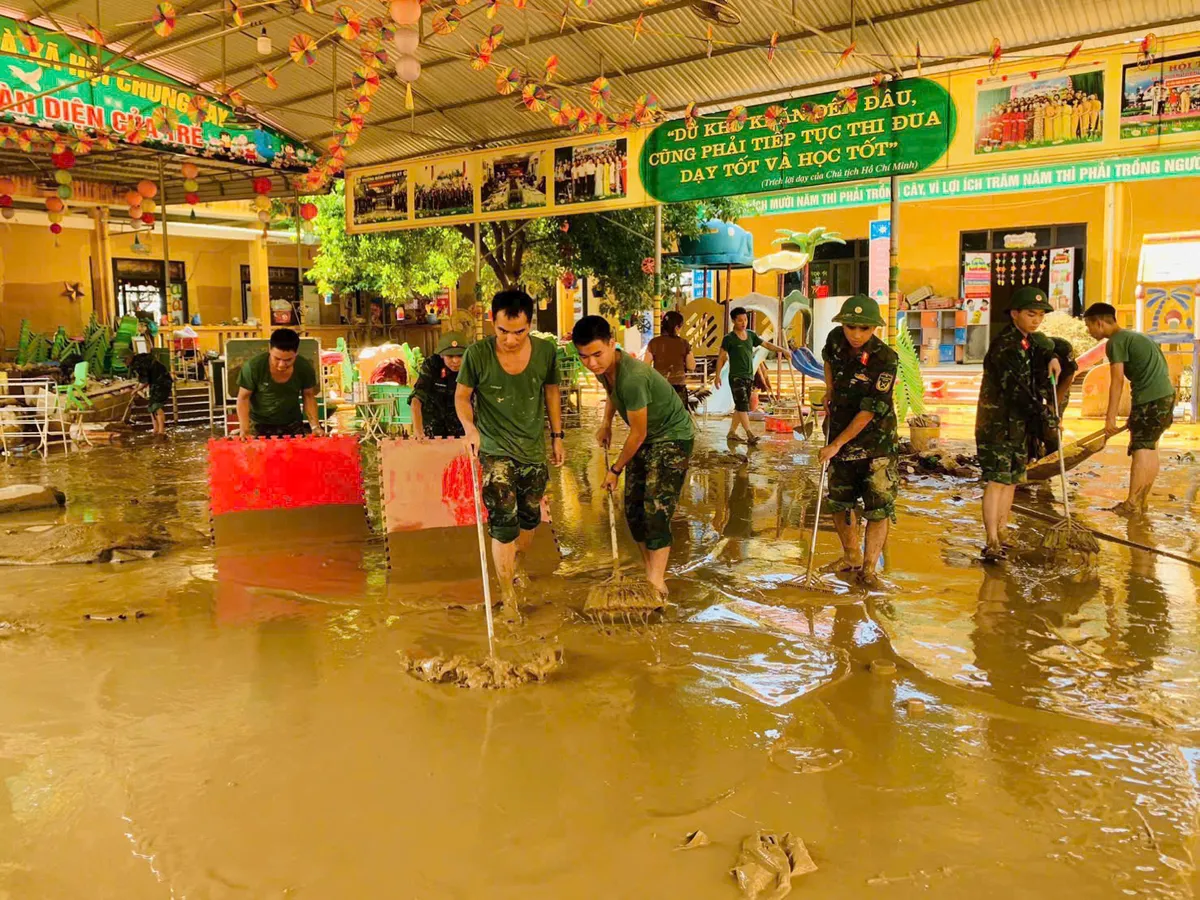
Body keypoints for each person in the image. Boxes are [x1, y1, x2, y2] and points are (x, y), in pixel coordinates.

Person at [572, 315, 695, 597]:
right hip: (648, 437)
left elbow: (637, 434)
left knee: (655, 509)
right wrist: (605, 424)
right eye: (584, 357)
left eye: (596, 354)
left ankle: (655, 583)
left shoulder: (634, 378)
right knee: (634, 511)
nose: (591, 363)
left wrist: (615, 470)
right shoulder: (604, 369)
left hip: (672, 436)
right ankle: (650, 570)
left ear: (612, 343)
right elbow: (614, 395)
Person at [456, 290, 564, 604]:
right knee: (503, 520)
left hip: (532, 450)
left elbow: (552, 393)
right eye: (503, 331)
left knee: (529, 519)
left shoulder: (546, 352)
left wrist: (557, 436)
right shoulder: (477, 354)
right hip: (494, 448)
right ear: (492, 321)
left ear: (530, 324)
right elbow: (462, 397)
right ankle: (507, 596)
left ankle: (518, 565)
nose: (511, 339)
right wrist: (470, 428)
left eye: (519, 332)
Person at [817, 296, 899, 588]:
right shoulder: (836, 339)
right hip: (838, 429)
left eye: (863, 329)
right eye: (851, 326)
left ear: (873, 329)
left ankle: (870, 568)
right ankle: (851, 556)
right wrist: (829, 388)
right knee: (840, 501)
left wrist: (836, 445)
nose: (855, 334)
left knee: (877, 506)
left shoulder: (886, 359)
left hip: (877, 442)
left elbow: (867, 412)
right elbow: (827, 358)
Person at [976, 287, 1061, 561]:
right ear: (1014, 314)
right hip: (997, 425)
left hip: (1018, 427)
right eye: (1030, 314)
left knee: (1012, 480)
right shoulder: (1006, 347)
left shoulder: (1028, 341)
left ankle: (1003, 531)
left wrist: (1053, 357)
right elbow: (1019, 392)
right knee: (997, 481)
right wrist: (1048, 418)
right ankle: (991, 539)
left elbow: (1048, 343)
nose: (1036, 320)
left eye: (1040, 315)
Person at [1083, 303, 1175, 516]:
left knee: (1141, 448)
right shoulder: (1136, 337)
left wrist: (1110, 418)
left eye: (1089, 326)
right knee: (1150, 447)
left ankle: (1132, 503)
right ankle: (1140, 501)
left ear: (1100, 322)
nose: (1089, 331)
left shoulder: (1116, 342)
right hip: (1166, 396)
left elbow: (1116, 381)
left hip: (1149, 399)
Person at [714, 306, 788, 445]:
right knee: (743, 406)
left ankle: (732, 433)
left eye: (745, 319)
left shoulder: (751, 335)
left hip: (749, 376)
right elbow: (721, 357)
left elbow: (766, 344)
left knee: (740, 406)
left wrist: (782, 350)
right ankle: (749, 434)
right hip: (736, 377)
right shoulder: (729, 339)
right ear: (733, 321)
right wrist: (717, 376)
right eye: (740, 320)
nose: (743, 323)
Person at [236, 327, 322, 437]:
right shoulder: (253, 367)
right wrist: (244, 429)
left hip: (292, 424)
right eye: (276, 358)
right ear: (269, 349)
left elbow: (309, 396)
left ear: (296, 353)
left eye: (288, 360)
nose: (281, 365)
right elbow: (243, 398)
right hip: (259, 425)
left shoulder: (304, 367)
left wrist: (315, 427)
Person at [409, 331, 467, 439]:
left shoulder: (471, 366)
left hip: (462, 428)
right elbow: (416, 399)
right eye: (450, 356)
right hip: (432, 428)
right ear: (441, 355)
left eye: (460, 356)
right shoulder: (432, 365)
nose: (455, 361)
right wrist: (418, 430)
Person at [1028, 336, 1079, 459]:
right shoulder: (1031, 351)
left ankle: (1053, 455)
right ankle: (1032, 454)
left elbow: (1069, 376)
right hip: (1036, 383)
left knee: (1054, 422)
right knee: (1032, 417)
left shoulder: (1064, 348)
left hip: (1059, 383)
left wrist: (1054, 406)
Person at [644, 311, 695, 405]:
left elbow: (645, 365)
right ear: (676, 327)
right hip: (678, 387)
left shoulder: (653, 343)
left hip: (658, 386)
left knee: (661, 416)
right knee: (679, 417)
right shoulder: (684, 343)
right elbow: (691, 366)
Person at [130, 352, 172, 436]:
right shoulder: (142, 361)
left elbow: (145, 381)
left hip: (162, 384)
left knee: (156, 406)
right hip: (158, 383)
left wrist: (136, 390)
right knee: (151, 407)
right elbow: (144, 379)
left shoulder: (140, 364)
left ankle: (161, 431)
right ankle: (155, 429)